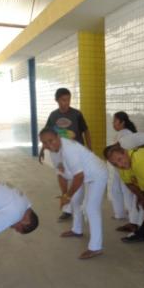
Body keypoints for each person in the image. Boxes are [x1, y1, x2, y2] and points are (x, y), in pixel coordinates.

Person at [39, 128, 107, 259]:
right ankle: (77, 230)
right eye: (44, 143)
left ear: (58, 137)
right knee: (75, 201)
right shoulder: (53, 152)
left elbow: (79, 177)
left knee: (91, 208)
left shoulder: (69, 149)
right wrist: (65, 194)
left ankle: (96, 247)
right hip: (80, 175)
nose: (48, 145)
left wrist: (67, 196)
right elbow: (61, 174)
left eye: (50, 141)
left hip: (96, 174)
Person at [40, 87, 92, 222]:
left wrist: (89, 149)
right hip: (58, 151)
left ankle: (77, 207)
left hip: (75, 151)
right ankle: (67, 208)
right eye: (63, 100)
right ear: (57, 100)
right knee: (62, 176)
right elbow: (47, 133)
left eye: (68, 99)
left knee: (76, 177)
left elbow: (86, 131)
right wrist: (42, 148)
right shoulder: (53, 115)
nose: (66, 102)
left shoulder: (77, 114)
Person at [109, 112, 140, 229]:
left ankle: (133, 220)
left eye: (115, 121)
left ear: (122, 122)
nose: (113, 124)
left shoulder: (126, 133)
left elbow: (119, 150)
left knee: (128, 193)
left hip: (125, 167)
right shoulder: (121, 133)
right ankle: (120, 213)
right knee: (116, 189)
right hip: (119, 167)